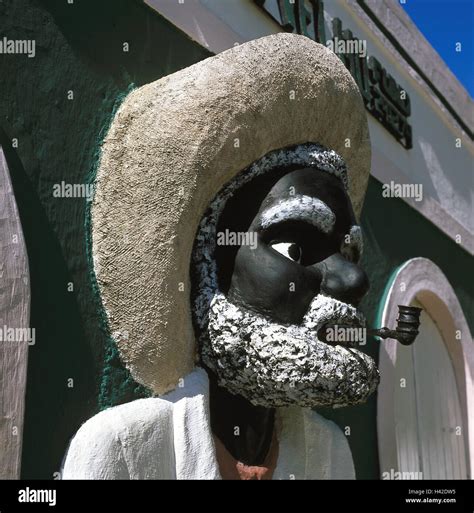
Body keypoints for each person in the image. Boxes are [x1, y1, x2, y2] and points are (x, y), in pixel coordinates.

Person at [62, 33, 377, 480]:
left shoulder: (331, 455)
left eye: (350, 253)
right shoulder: (124, 451)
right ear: (206, 267)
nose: (352, 281)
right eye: (295, 247)